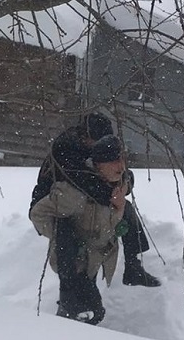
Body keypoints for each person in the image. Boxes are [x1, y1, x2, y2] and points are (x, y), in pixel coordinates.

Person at [29, 112, 160, 320]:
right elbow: (85, 183)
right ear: (86, 137)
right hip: (50, 204)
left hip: (83, 207)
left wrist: (122, 189)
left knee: (123, 210)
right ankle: (69, 298)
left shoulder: (98, 152)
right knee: (67, 240)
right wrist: (112, 194)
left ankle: (132, 265)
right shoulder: (66, 148)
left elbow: (121, 174)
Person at [29, 134, 129, 324]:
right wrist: (64, 236)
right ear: (98, 164)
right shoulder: (74, 193)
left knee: (84, 313)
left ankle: (68, 334)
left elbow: (108, 226)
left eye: (122, 159)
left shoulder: (115, 189)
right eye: (114, 161)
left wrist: (120, 208)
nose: (121, 166)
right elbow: (38, 214)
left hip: (95, 261)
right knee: (85, 311)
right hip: (74, 264)